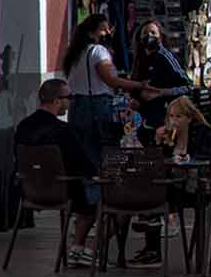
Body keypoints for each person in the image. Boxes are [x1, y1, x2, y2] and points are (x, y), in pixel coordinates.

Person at [62, 14, 155, 217]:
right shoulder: (98, 51)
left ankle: (86, 210)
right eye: (103, 29)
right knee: (101, 160)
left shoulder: (76, 54)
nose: (108, 33)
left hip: (77, 108)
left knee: (86, 160)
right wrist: (139, 84)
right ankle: (99, 208)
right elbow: (111, 80)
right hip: (96, 107)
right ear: (91, 32)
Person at [14, 79, 98, 268]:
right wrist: (94, 173)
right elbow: (81, 163)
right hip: (62, 191)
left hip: (30, 190)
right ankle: (82, 249)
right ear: (57, 101)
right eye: (68, 97)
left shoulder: (23, 127)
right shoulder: (62, 130)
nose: (70, 101)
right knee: (98, 196)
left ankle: (79, 251)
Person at [133, 96, 211, 267]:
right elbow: (155, 162)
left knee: (156, 192)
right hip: (172, 186)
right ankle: (152, 246)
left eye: (179, 117)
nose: (174, 121)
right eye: (171, 116)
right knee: (154, 187)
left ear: (189, 117)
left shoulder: (201, 132)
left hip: (194, 186)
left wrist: (185, 158)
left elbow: (205, 157)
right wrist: (156, 141)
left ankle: (150, 229)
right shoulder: (168, 136)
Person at [130, 20, 194, 135]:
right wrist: (136, 100)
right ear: (140, 38)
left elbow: (188, 87)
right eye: (145, 33)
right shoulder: (140, 60)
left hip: (166, 122)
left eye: (153, 33)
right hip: (147, 120)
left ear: (160, 37)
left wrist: (162, 92)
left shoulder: (165, 57)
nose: (149, 36)